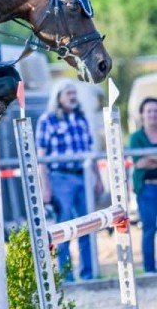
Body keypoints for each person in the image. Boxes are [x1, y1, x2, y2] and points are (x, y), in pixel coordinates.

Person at [35, 80, 104, 281]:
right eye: (68, 93)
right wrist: (45, 187)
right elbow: (41, 158)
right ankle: (67, 276)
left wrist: (98, 179)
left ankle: (89, 274)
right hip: (60, 179)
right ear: (58, 97)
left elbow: (91, 152)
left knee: (88, 226)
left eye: (74, 93)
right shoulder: (47, 120)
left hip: (82, 177)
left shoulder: (82, 118)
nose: (73, 97)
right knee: (63, 228)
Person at [129, 97, 157, 273]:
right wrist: (146, 160)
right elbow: (139, 162)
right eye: (149, 111)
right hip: (146, 187)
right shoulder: (136, 137)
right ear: (142, 114)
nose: (153, 114)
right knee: (149, 228)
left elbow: (147, 160)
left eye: (155, 111)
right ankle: (149, 270)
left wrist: (150, 159)